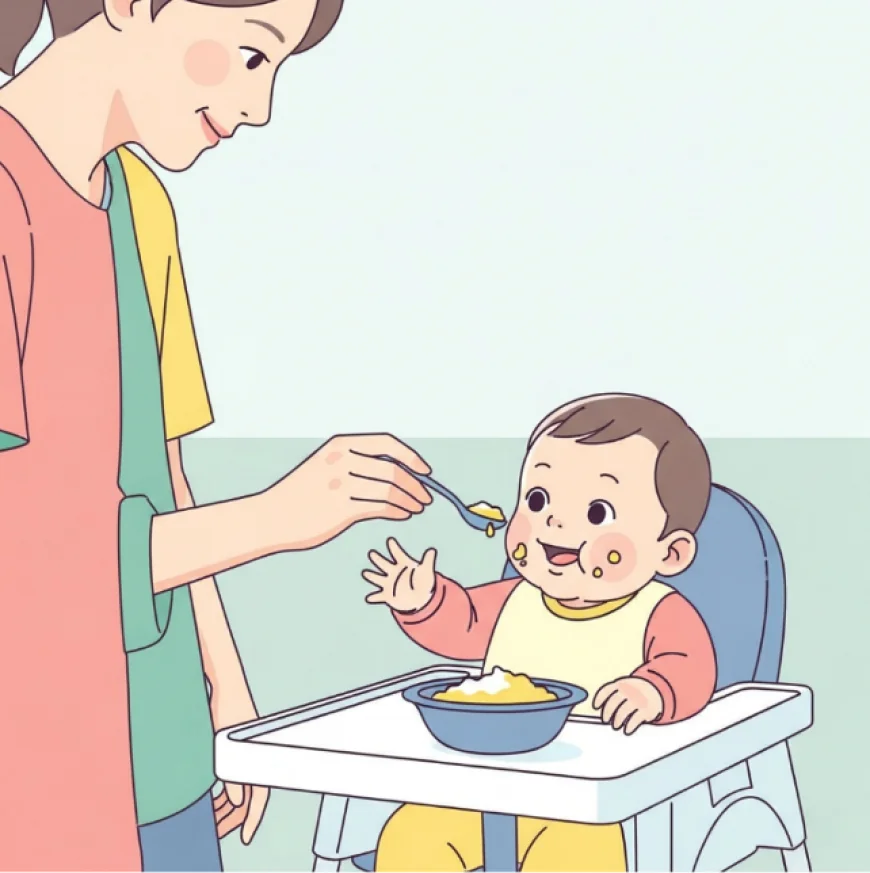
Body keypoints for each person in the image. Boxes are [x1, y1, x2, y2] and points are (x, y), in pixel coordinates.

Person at [0, 1, 434, 870]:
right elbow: (24, 558)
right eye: (249, 54)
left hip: (162, 749)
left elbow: (164, 473)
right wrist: (280, 514)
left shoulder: (141, 207)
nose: (260, 104)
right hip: (38, 760)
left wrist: (227, 699)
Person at [363, 393, 718, 872]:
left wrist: (650, 690)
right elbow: (462, 620)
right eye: (537, 499)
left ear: (670, 554)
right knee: (412, 837)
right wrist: (423, 600)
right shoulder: (515, 599)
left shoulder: (659, 613)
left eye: (597, 512)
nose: (553, 521)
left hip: (591, 808)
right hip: (485, 791)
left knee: (575, 857)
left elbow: (689, 668)